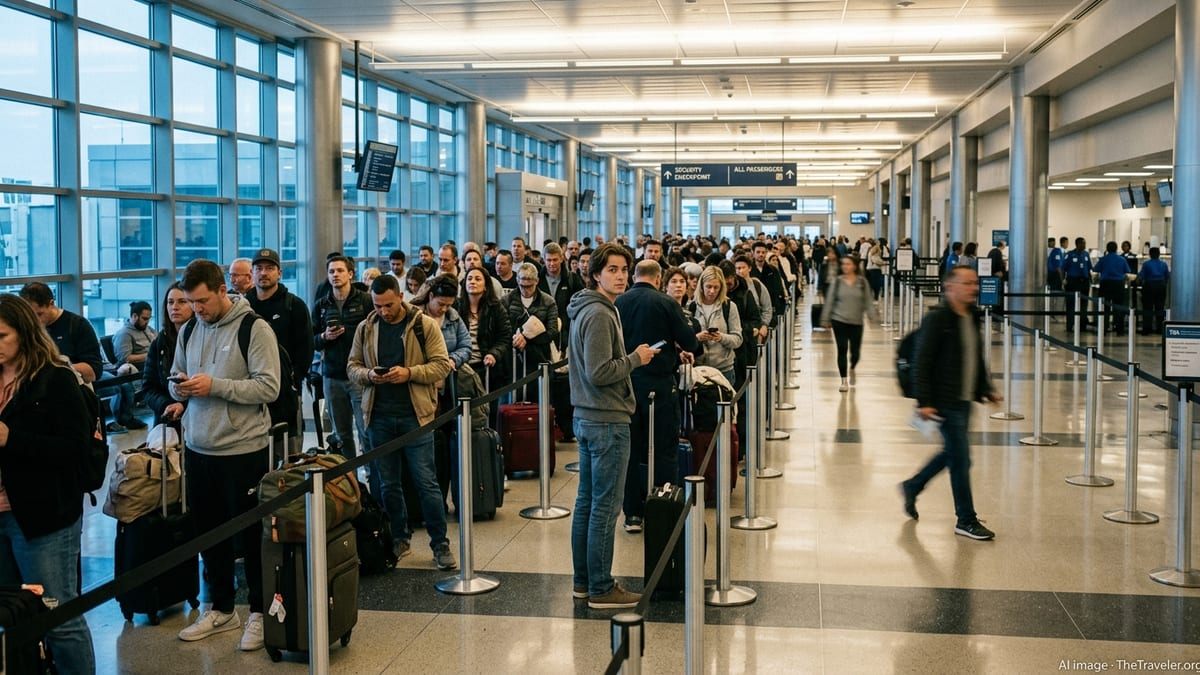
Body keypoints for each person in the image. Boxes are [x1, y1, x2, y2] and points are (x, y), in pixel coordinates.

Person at [170, 258, 280, 651]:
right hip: (199, 447)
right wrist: (179, 389)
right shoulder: (188, 332)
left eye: (202, 301)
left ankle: (258, 611)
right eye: (190, 302)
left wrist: (215, 386)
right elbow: (176, 377)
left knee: (250, 537)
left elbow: (269, 388)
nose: (197, 309)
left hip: (243, 448)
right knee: (209, 533)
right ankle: (219, 607)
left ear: (222, 290)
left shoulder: (255, 328)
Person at [0, 294, 97, 673]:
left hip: (43, 518)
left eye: (2, 336)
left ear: (24, 334)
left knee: (59, 616)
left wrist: (13, 439)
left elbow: (75, 449)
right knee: (11, 614)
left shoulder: (55, 379)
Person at [567, 243, 657, 609]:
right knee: (604, 506)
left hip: (588, 416)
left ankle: (583, 582)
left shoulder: (586, 308)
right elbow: (600, 371)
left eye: (625, 269)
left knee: (587, 503)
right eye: (613, 270)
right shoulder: (600, 314)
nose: (621, 276)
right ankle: (601, 588)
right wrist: (637, 358)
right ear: (596, 273)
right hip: (605, 420)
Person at [346, 274, 456, 569]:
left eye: (389, 305)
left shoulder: (423, 325)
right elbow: (352, 366)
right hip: (379, 416)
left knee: (426, 482)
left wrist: (409, 374)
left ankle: (440, 543)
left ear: (400, 297)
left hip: (415, 417)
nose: (384, 311)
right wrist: (369, 376)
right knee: (387, 484)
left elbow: (441, 365)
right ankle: (399, 537)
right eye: (378, 305)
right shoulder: (366, 328)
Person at [900, 266, 1000, 541]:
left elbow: (975, 356)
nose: (974, 288)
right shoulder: (938, 319)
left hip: (964, 397)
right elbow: (922, 361)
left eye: (975, 283)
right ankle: (965, 519)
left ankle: (913, 486)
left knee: (954, 454)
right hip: (944, 400)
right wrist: (925, 401)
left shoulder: (970, 316)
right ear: (950, 287)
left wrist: (986, 388)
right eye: (967, 283)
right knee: (961, 460)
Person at [614, 260, 699, 533]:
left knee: (630, 450)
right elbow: (691, 341)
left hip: (627, 383)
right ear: (659, 277)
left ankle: (632, 514)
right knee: (664, 449)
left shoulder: (618, 303)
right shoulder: (666, 303)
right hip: (661, 385)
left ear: (634, 276)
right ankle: (664, 508)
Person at [16, 282, 142, 433]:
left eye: (39, 314)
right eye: (29, 316)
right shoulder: (26, 329)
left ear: (51, 304)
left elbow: (94, 371)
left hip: (72, 403)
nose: (35, 322)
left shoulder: (77, 326)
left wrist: (53, 367)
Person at [245, 248, 313, 456]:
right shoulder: (243, 306)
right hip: (251, 393)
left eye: (269, 268)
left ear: (279, 273)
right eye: (259, 268)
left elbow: (306, 348)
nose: (264, 273)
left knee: (288, 455)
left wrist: (293, 379)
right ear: (252, 273)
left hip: (286, 395)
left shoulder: (294, 306)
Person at [312, 255, 374, 458]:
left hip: (359, 375)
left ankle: (372, 479)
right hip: (332, 375)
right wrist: (324, 336)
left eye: (340, 271)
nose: (335, 275)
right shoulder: (321, 304)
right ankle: (350, 483)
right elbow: (310, 339)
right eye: (331, 272)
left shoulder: (365, 300)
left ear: (350, 274)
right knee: (341, 435)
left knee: (366, 431)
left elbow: (376, 332)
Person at [821, 254, 879, 392]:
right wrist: (825, 319)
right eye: (843, 264)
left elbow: (868, 301)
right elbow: (830, 300)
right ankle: (843, 380)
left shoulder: (862, 282)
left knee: (855, 351)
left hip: (856, 321)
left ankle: (852, 366)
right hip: (839, 319)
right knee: (842, 349)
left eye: (848, 264)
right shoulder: (838, 281)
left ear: (854, 266)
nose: (845, 267)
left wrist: (872, 316)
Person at [141, 283, 192, 426]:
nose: (174, 307)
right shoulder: (159, 342)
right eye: (170, 302)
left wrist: (184, 405)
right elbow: (149, 387)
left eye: (182, 302)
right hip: (166, 419)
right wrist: (167, 405)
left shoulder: (204, 339)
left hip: (197, 420)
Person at [457, 266, 512, 391]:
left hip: (487, 367)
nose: (472, 282)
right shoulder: (456, 307)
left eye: (478, 279)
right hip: (462, 367)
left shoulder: (496, 308)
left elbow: (505, 336)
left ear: (486, 286)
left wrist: (494, 353)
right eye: (469, 279)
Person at [506, 262, 559, 389]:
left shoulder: (548, 302)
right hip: (513, 359)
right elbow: (503, 329)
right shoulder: (507, 300)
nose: (526, 290)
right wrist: (516, 339)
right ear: (517, 280)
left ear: (537, 281)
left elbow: (552, 331)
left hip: (539, 357)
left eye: (530, 286)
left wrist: (527, 338)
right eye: (522, 286)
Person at [689, 266, 743, 385]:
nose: (712, 291)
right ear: (702, 286)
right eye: (709, 286)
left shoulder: (729, 306)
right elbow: (685, 339)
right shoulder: (691, 307)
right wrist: (698, 338)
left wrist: (721, 337)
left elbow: (738, 339)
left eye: (716, 287)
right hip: (698, 369)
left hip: (724, 369)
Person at [1096, 241, 1130, 334]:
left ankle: (1104, 328)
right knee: (1118, 307)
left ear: (1107, 249)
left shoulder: (1103, 259)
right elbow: (1127, 270)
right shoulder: (1122, 259)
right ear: (1116, 249)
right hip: (1118, 284)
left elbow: (1096, 269)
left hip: (1105, 284)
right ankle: (1119, 329)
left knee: (1105, 307)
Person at [1137, 247, 1170, 335]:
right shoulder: (1163, 264)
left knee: (1148, 308)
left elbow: (1141, 276)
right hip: (1161, 286)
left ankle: (1147, 329)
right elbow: (1167, 276)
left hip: (1149, 286)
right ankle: (1160, 329)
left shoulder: (1146, 264)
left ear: (1150, 254)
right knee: (1160, 307)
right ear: (1159, 254)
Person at [1063, 237, 1094, 329]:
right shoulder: (1070, 254)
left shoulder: (1086, 254)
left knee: (1084, 304)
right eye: (1082, 243)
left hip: (1084, 281)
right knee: (1071, 304)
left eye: (1084, 243)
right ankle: (1070, 325)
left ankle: (1082, 325)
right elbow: (1063, 268)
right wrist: (1063, 280)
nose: (1084, 245)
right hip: (1073, 281)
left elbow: (1089, 268)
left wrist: (1090, 279)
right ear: (1077, 244)